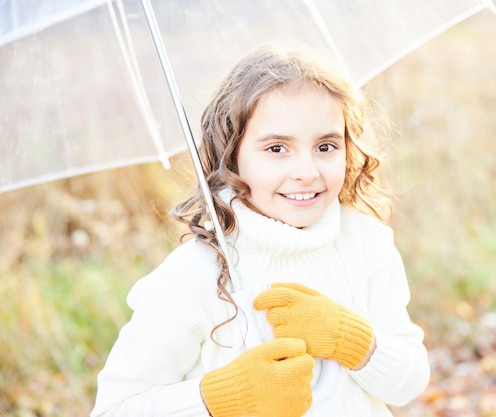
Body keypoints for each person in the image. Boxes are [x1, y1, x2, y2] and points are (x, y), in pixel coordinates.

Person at [90, 43, 430, 417]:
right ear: (232, 154)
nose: (306, 170)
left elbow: (409, 384)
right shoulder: (197, 273)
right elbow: (115, 409)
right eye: (277, 148)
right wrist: (222, 399)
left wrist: (349, 339)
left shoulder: (364, 241)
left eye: (326, 145)